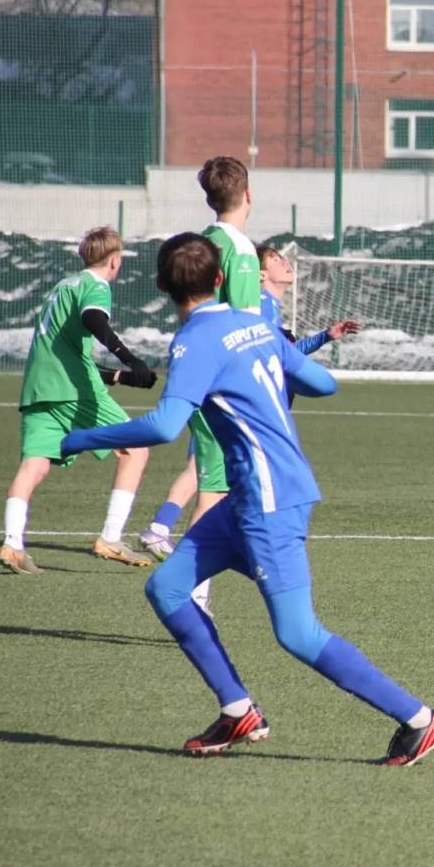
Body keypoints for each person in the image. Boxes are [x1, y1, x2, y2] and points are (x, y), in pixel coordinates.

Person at [61, 232, 434, 764]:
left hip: (268, 501)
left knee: (297, 633)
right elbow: (324, 385)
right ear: (220, 278)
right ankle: (237, 709)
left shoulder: (193, 343)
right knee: (167, 588)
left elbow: (165, 426)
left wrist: (82, 438)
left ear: (160, 288)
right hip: (249, 497)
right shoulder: (254, 323)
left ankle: (420, 721)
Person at [138, 156, 261, 599]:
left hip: (198, 372)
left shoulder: (201, 243)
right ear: (248, 195)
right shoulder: (240, 250)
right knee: (213, 491)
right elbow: (245, 327)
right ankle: (192, 595)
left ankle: (196, 589)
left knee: (215, 483)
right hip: (223, 384)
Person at [0, 226, 156, 573]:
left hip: (39, 387)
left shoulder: (62, 287)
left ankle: (12, 544)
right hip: (73, 389)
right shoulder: (96, 286)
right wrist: (130, 359)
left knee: (35, 465)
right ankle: (111, 538)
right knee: (135, 449)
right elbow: (93, 319)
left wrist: (119, 376)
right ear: (114, 261)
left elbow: (66, 351)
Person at [257, 244, 360, 359]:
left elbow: (286, 353)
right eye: (276, 260)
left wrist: (325, 336)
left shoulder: (268, 303)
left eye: (282, 258)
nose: (285, 262)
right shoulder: (263, 305)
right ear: (262, 275)